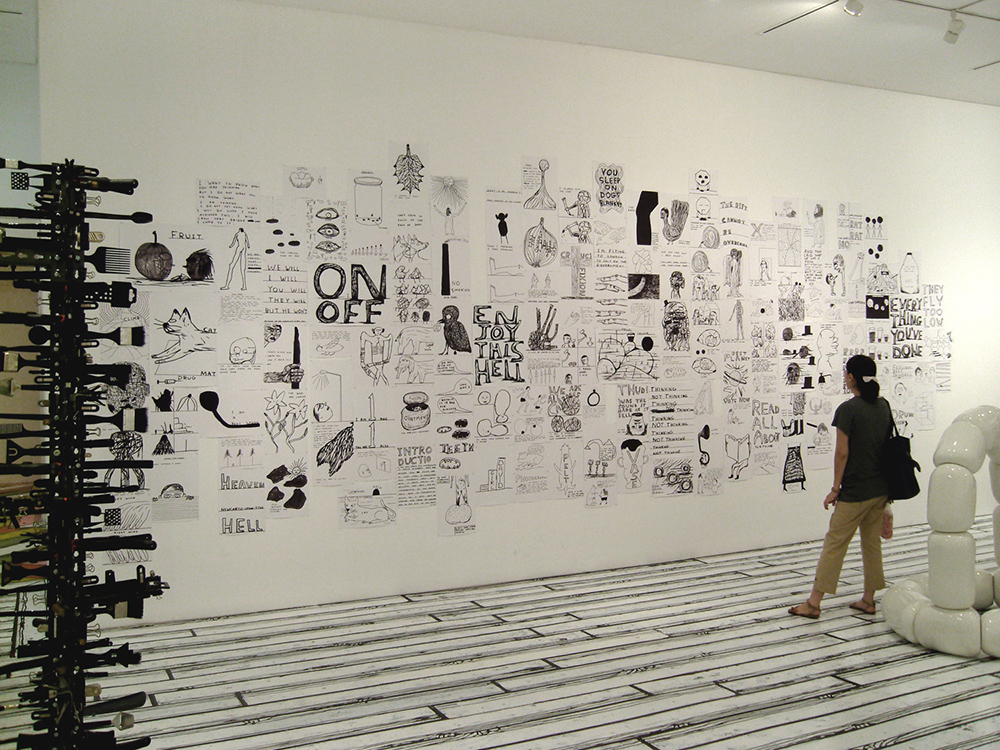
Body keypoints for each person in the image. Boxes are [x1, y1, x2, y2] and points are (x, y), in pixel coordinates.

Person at [789, 354, 893, 619]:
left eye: (847, 374)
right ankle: (868, 599)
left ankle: (813, 603)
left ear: (851, 377)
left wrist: (835, 488)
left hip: (856, 491)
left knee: (834, 544)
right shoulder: (883, 406)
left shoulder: (848, 410)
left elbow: (842, 453)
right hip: (880, 489)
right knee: (871, 544)